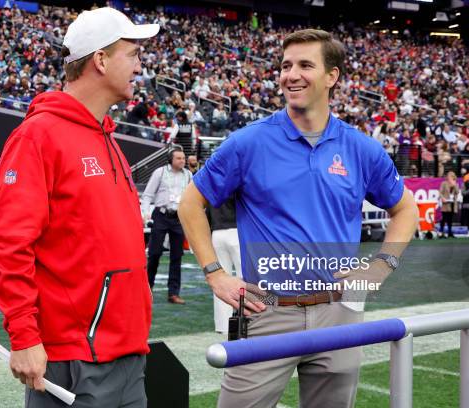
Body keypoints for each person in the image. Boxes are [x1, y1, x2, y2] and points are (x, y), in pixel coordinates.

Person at [178, 29, 418, 408]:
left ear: (332, 76)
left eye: (306, 65)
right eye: (286, 65)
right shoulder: (249, 142)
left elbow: (406, 209)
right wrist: (215, 274)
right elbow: (189, 204)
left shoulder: (360, 148)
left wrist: (381, 266)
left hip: (339, 311)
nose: (292, 74)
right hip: (266, 312)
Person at [0, 8, 159, 408]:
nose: (140, 66)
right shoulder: (38, 136)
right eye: (133, 54)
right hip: (74, 357)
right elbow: (10, 245)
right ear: (100, 59)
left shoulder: (109, 139)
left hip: (128, 353)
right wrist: (25, 337)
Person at [141, 146, 192, 304]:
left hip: (178, 217)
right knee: (155, 253)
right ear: (171, 160)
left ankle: (173, 293)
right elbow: (148, 194)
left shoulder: (189, 175)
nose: (182, 161)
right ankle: (147, 289)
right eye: (179, 158)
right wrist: (144, 213)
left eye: (183, 158)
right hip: (161, 215)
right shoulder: (160, 172)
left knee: (177, 256)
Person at [206, 196, 240, 333]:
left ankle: (222, 326)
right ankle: (248, 321)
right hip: (237, 231)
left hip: (217, 233)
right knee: (246, 280)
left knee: (219, 282)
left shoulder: (212, 182)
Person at [438, 171, 460, 238]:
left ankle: (450, 232)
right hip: (445, 203)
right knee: (444, 218)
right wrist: (442, 198)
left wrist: (454, 185)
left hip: (452, 203)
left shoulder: (456, 184)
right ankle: (441, 232)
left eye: (451, 177)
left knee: (450, 218)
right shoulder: (444, 183)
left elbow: (457, 192)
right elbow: (440, 192)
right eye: (449, 176)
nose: (450, 178)